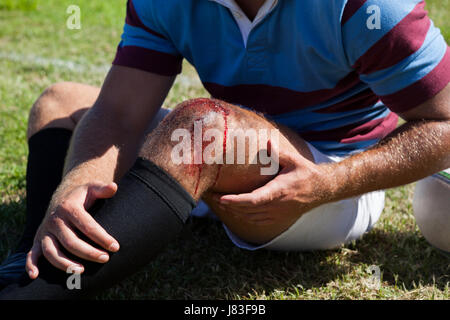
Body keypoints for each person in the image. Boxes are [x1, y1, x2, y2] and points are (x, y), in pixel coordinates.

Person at [0, 0, 449, 299]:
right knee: (62, 104)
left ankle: (37, 296)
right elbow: (117, 112)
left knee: (202, 128)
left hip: (329, 178)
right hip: (226, 151)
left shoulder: (367, 5)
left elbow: (446, 121)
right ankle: (27, 262)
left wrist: (331, 182)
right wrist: (76, 177)